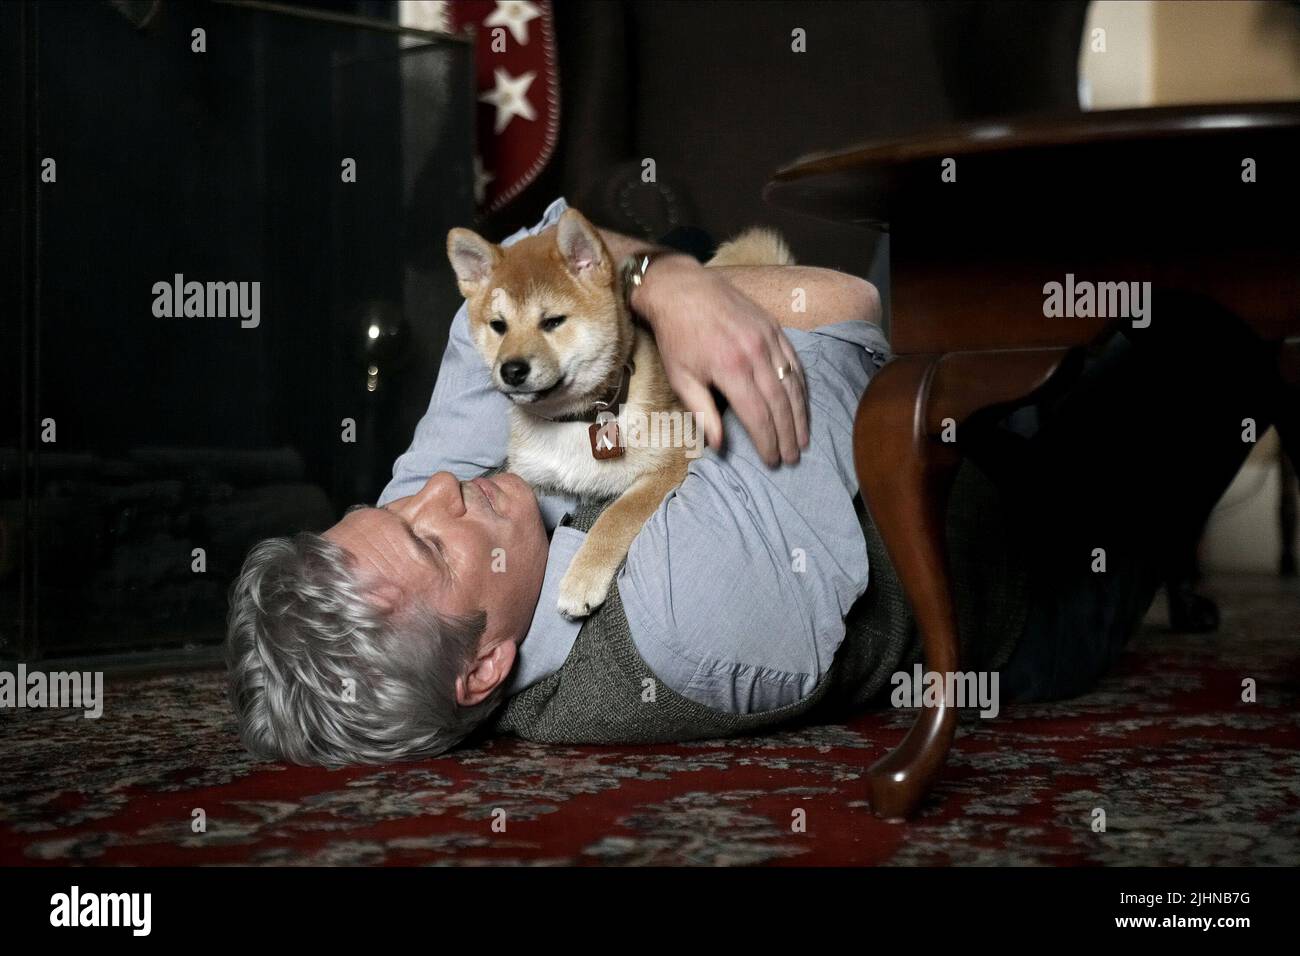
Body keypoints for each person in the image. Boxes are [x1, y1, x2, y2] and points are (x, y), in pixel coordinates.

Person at [226, 197, 1278, 765]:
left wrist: (657, 277)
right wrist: (663, 289)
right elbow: (837, 305)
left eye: (388, 501)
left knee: (667, 254)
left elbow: (521, 261)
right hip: (1020, 556)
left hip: (881, 455)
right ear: (483, 669)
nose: (434, 489)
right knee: (1206, 336)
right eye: (426, 538)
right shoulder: (688, 625)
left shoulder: (446, 518)